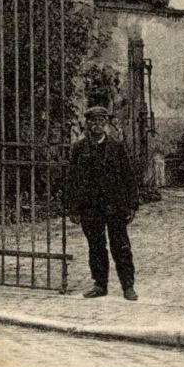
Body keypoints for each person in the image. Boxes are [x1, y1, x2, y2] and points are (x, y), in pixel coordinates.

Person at [65, 105, 139, 301]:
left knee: (121, 246)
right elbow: (72, 179)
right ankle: (100, 285)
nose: (97, 125)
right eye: (93, 121)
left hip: (115, 206)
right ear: (87, 124)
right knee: (96, 247)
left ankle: (128, 286)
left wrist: (132, 205)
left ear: (106, 124)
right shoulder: (79, 149)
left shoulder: (117, 147)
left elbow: (128, 177)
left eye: (101, 121)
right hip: (90, 207)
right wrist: (73, 208)